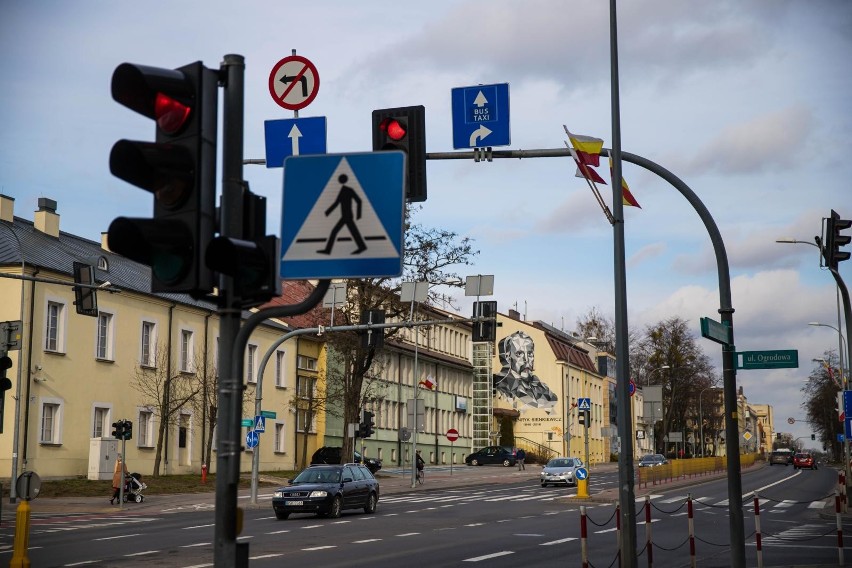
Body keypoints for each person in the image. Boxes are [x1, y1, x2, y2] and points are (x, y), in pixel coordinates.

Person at [493, 331, 558, 412]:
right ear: (508, 357)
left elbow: (553, 403)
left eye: (530, 354)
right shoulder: (502, 388)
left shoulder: (540, 386)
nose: (526, 360)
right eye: (519, 354)